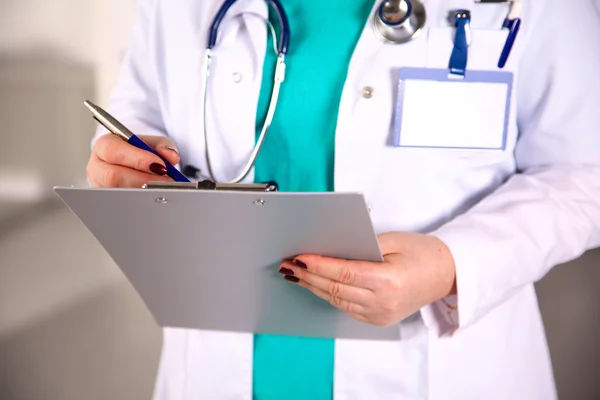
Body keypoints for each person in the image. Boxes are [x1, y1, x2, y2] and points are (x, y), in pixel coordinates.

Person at [86, 0, 600, 398]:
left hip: (435, 366)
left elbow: (583, 172)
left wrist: (453, 264)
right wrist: (124, 161)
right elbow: (140, 112)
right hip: (215, 367)